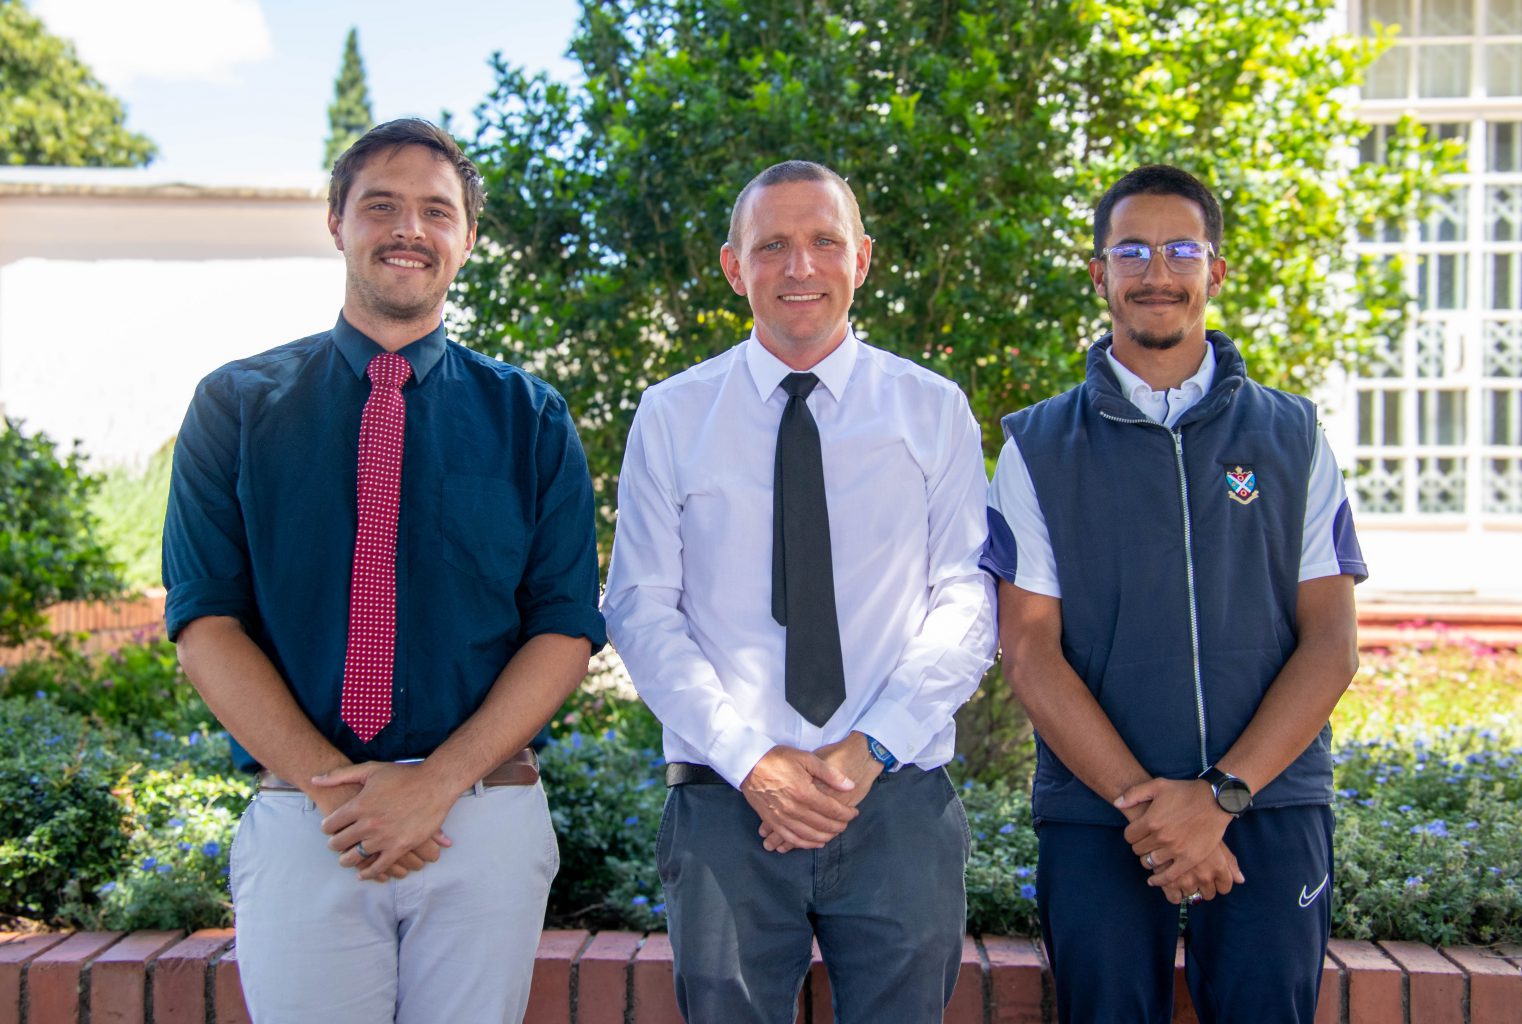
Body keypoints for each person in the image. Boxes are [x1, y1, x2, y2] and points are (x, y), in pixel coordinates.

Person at [161, 118, 605, 1024]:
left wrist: (434, 783)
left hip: (481, 819)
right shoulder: (234, 407)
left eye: (437, 212)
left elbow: (564, 630)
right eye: (382, 206)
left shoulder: (531, 417)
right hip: (305, 821)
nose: (410, 228)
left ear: (467, 239)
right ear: (336, 222)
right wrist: (343, 793)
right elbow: (207, 623)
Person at [602, 160, 997, 1023]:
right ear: (733, 267)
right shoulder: (672, 415)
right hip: (723, 804)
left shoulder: (932, 410)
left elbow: (966, 600)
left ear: (862, 258)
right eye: (771, 245)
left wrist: (867, 751)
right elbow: (639, 605)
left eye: (823, 242)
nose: (799, 267)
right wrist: (752, 761)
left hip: (897, 801)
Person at [984, 164, 1366, 1022]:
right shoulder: (1037, 448)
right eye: (1132, 250)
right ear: (1099, 274)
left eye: (1182, 248)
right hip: (1099, 814)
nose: (1158, 271)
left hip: (1269, 805)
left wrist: (1222, 797)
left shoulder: (1295, 436)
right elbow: (1031, 652)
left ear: (1216, 271)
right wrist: (1158, 817)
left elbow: (1331, 644)